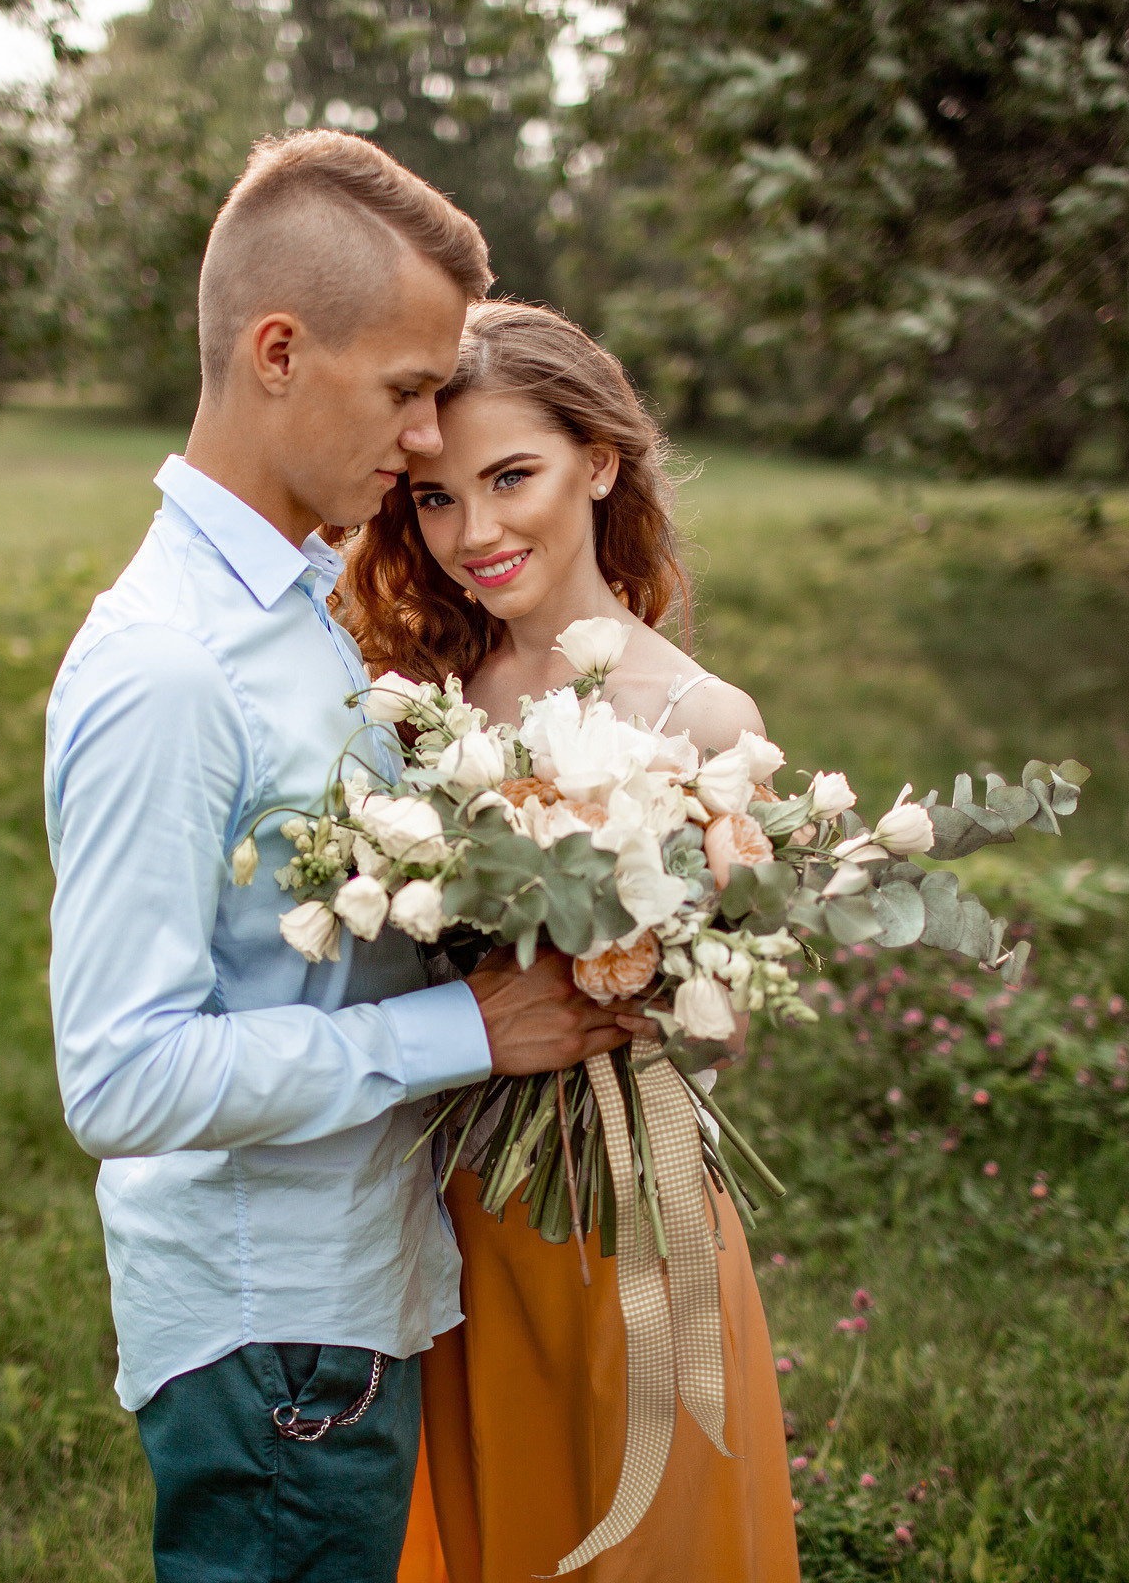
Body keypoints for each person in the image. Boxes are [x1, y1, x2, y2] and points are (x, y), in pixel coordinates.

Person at [44, 137, 633, 1583]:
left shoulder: (293, 606)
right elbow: (119, 1078)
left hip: (341, 1298)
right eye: (406, 391)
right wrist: (467, 1029)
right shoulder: (173, 666)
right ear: (280, 353)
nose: (428, 439)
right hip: (276, 1333)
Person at [345, 301, 804, 1583]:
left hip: (630, 1201)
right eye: (436, 499)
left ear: (598, 463)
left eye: (512, 478)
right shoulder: (430, 712)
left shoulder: (703, 717)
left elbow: (730, 1022)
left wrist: (640, 949)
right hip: (469, 1199)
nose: (475, 534)